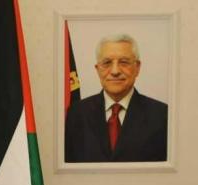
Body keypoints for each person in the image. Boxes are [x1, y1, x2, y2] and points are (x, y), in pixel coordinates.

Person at [65, 34, 168, 163]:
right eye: (107, 63)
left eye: (124, 62)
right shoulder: (76, 113)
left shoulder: (162, 115)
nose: (115, 71)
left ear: (137, 68)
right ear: (97, 69)